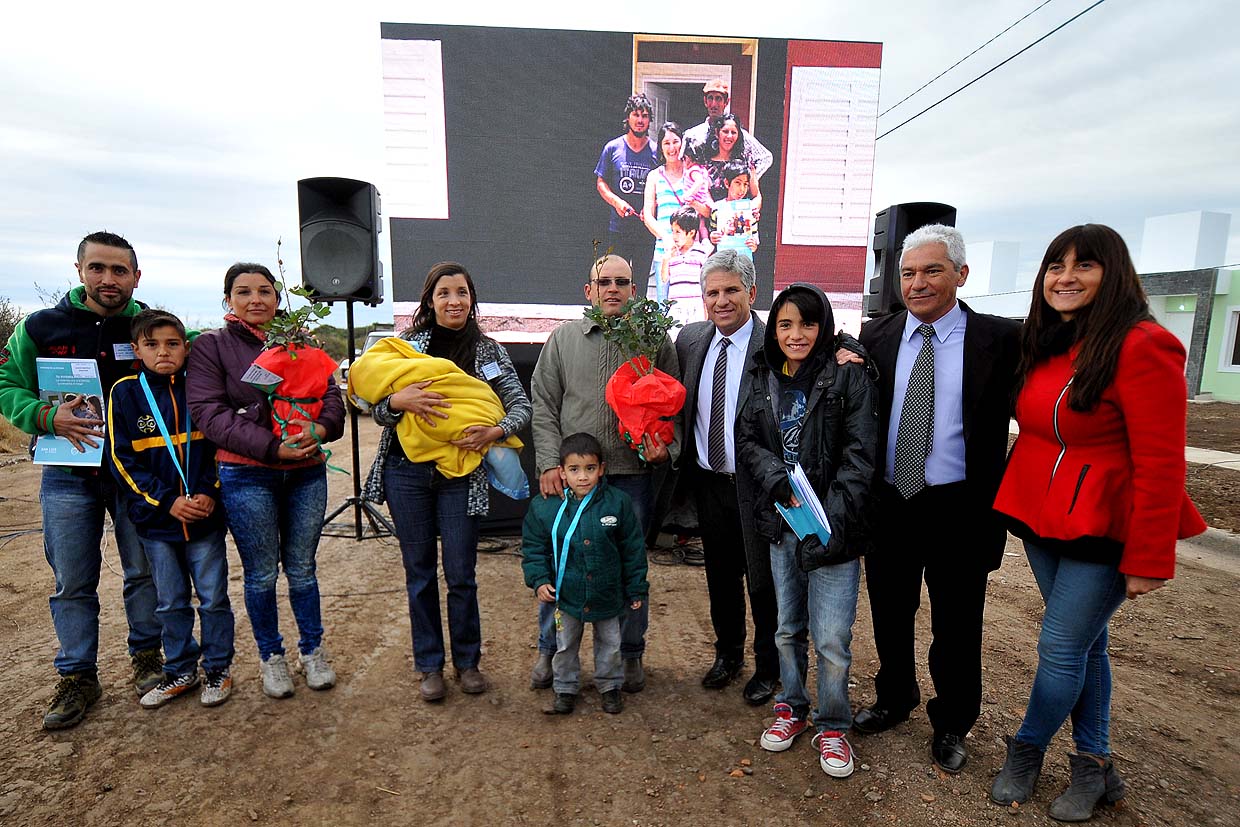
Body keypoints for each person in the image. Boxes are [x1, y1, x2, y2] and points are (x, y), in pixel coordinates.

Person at [989, 224, 1206, 821]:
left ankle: (1026, 749)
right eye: (1055, 265)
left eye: (1083, 265)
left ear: (1114, 274)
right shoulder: (1050, 341)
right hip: (1040, 514)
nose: (1065, 276)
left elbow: (1162, 464)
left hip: (1103, 523)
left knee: (1060, 649)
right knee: (1087, 645)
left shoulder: (1143, 345)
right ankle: (1095, 763)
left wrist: (1149, 556)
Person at [853, 224, 1021, 775]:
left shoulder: (1000, 341)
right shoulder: (874, 338)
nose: (918, 283)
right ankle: (894, 696)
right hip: (891, 503)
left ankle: (952, 722)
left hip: (960, 510)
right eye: (908, 273)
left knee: (956, 622)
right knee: (889, 612)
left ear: (961, 275)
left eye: (932, 271)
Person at [0, 230, 163, 730]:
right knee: (73, 580)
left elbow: (198, 363)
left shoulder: (151, 327)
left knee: (144, 573)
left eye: (119, 270)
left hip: (137, 475)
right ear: (79, 271)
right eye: (98, 268)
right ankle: (77, 676)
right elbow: (7, 386)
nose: (108, 279)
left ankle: (149, 660)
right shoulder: (40, 327)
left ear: (137, 275)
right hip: (69, 475)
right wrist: (48, 419)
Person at [359, 262, 532, 702]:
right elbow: (373, 406)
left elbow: (520, 405)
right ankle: (430, 665)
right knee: (418, 572)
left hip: (462, 476)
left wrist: (495, 431)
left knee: (461, 573)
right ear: (430, 300)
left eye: (462, 292)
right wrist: (397, 401)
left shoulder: (489, 351)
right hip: (406, 472)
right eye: (444, 293)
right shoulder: (404, 346)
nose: (454, 301)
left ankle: (468, 662)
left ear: (472, 299)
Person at [737, 283, 877, 779]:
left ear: (824, 327)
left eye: (807, 323)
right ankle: (792, 706)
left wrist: (828, 521)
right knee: (786, 626)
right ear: (773, 329)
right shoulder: (759, 373)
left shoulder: (847, 375)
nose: (796, 335)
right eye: (785, 324)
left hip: (834, 529)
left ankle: (834, 723)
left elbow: (860, 457)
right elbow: (747, 439)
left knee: (833, 637)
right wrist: (777, 480)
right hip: (782, 521)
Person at [187, 263, 344, 699]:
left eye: (265, 291)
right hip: (246, 472)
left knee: (302, 570)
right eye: (244, 292)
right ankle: (271, 657)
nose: (256, 299)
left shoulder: (302, 342)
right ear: (228, 300)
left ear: (278, 299)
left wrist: (320, 430)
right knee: (260, 575)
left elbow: (332, 396)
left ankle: (312, 651)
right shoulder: (211, 347)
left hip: (306, 472)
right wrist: (272, 448)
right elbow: (209, 414)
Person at [529, 254, 680, 694]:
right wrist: (547, 464)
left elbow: (674, 406)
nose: (613, 289)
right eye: (604, 282)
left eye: (622, 282)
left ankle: (630, 654)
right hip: (572, 481)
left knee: (629, 567)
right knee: (560, 567)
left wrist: (663, 449)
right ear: (588, 291)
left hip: (630, 477)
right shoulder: (562, 340)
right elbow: (543, 405)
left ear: (635, 291)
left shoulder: (653, 343)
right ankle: (549, 651)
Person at [108, 310, 235, 709]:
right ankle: (180, 670)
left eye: (172, 344)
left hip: (205, 517)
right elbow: (120, 460)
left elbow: (220, 445)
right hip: (158, 522)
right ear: (136, 349)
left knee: (213, 597)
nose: (163, 352)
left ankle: (217, 668)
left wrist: (209, 491)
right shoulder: (124, 392)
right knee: (170, 601)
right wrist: (168, 501)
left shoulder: (201, 386)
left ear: (186, 347)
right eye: (152, 344)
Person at [672, 250, 780, 705]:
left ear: (752, 293)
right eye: (712, 292)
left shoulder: (774, 341)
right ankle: (728, 654)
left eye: (731, 291)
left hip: (759, 487)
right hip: (709, 482)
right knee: (720, 575)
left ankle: (769, 666)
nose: (721, 301)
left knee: (765, 580)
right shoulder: (691, 339)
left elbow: (830, 348)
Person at [522, 433, 648, 715]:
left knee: (611, 643)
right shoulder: (546, 507)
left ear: (601, 469)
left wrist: (636, 588)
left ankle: (610, 686)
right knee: (565, 644)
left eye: (590, 469)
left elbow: (633, 549)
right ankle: (565, 687)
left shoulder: (618, 503)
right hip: (567, 594)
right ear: (561, 472)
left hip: (608, 593)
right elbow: (534, 548)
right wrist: (540, 580)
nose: (583, 477)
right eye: (574, 470)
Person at [641, 120, 711, 299]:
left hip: (692, 253)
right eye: (666, 143)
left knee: (692, 303)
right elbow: (648, 215)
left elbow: (707, 211)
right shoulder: (654, 176)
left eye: (675, 142)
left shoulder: (693, 173)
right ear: (661, 147)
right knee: (664, 307)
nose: (671, 148)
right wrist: (665, 237)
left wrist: (693, 202)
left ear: (682, 143)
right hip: (665, 251)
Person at [595, 94, 658, 288]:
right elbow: (600, 182)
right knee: (618, 280)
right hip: (619, 229)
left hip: (646, 230)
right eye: (636, 114)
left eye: (645, 115)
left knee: (640, 283)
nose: (640, 120)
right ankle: (618, 319)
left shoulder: (656, 151)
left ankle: (639, 318)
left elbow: (662, 188)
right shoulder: (612, 148)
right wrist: (616, 201)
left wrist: (652, 210)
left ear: (649, 120)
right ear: (628, 117)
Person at [683, 79, 773, 180]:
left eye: (718, 99)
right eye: (710, 98)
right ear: (705, 101)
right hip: (701, 192)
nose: (713, 104)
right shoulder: (693, 134)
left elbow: (765, 158)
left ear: (726, 102)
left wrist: (746, 182)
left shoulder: (737, 134)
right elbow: (681, 165)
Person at [658, 206, 713, 330]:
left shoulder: (700, 252)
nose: (674, 236)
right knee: (675, 337)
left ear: (691, 233)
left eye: (678, 232)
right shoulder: (671, 253)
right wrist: (666, 260)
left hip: (695, 305)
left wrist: (706, 311)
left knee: (695, 338)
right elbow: (664, 278)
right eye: (672, 231)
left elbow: (706, 282)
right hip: (676, 305)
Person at [699, 114, 762, 209]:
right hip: (713, 218)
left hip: (740, 218)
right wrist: (720, 213)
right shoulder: (706, 163)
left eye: (733, 132)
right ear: (717, 133)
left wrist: (752, 211)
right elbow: (705, 197)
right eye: (725, 131)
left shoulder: (746, 161)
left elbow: (756, 196)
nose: (729, 136)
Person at [708, 161, 761, 258]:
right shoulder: (717, 208)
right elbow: (712, 231)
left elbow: (754, 238)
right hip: (723, 262)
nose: (742, 189)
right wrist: (713, 237)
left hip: (743, 262)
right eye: (738, 183)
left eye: (745, 184)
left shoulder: (750, 209)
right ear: (727, 183)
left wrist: (753, 245)